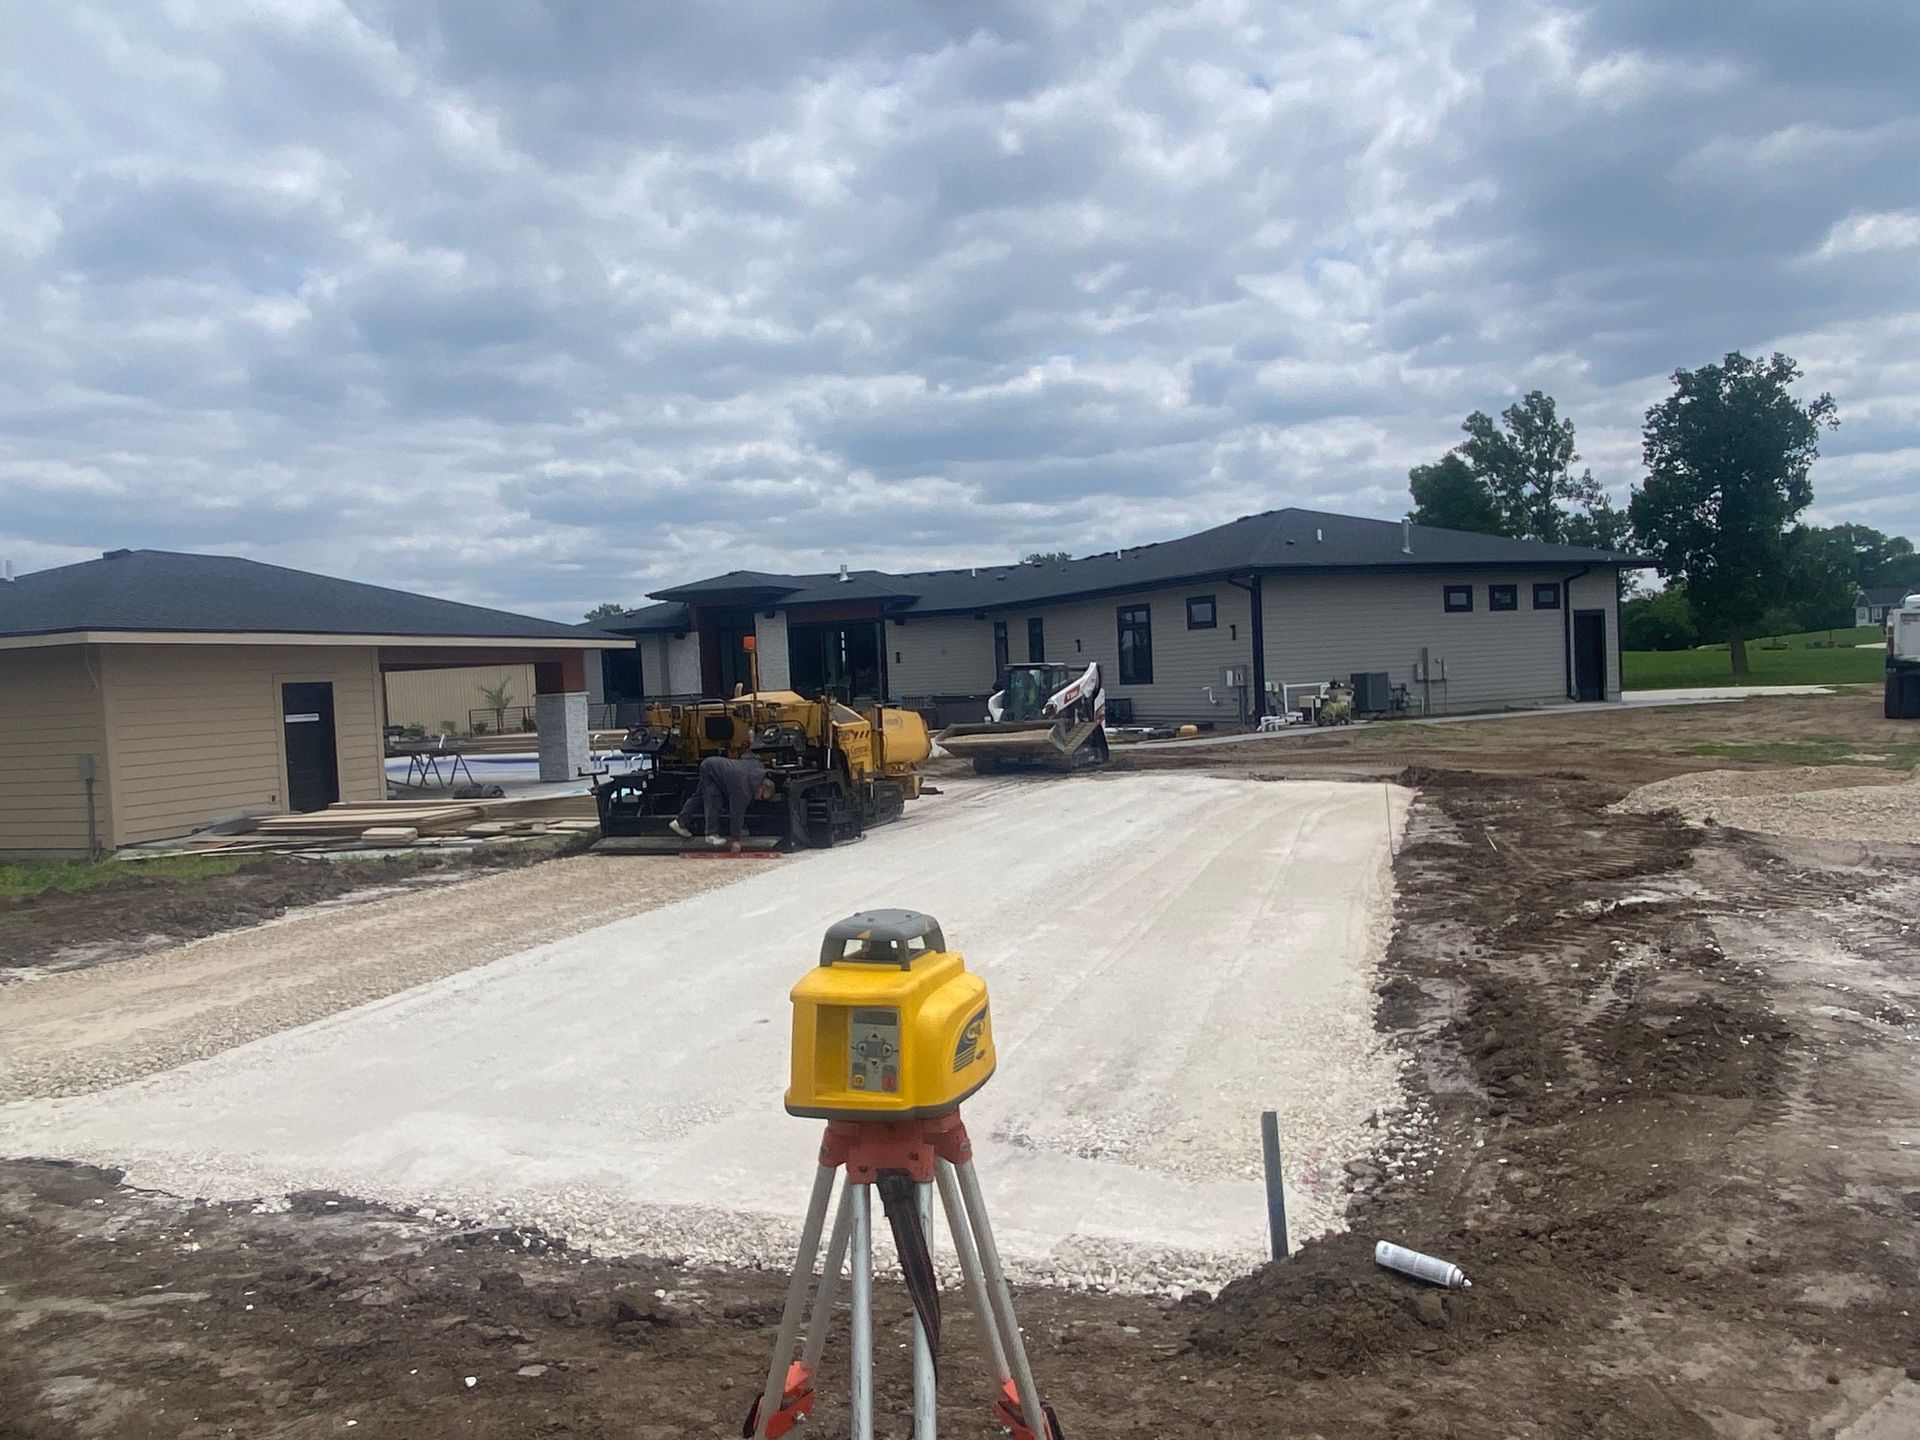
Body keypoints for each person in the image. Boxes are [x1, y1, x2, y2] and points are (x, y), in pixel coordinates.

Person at [669, 754, 773, 851]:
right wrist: (736, 840)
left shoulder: (758, 769)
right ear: (761, 788)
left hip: (712, 764)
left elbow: (748, 756)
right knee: (713, 799)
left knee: (699, 796)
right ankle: (711, 834)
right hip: (714, 770)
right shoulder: (743, 791)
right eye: (762, 796)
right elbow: (736, 814)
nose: (760, 799)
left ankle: (680, 822)